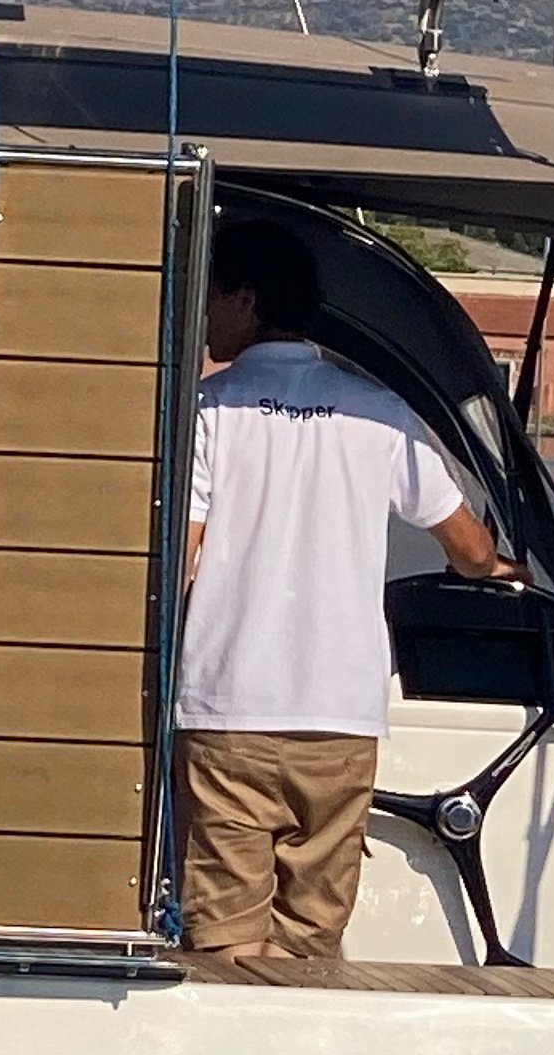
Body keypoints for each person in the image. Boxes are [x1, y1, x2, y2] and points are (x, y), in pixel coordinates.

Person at [176, 220, 508, 962]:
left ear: (246, 299)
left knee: (223, 936)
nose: (204, 316)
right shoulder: (377, 410)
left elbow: (180, 559)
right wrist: (493, 572)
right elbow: (468, 547)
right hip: (341, 719)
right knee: (310, 939)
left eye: (211, 297)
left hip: (228, 707)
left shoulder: (209, 410)